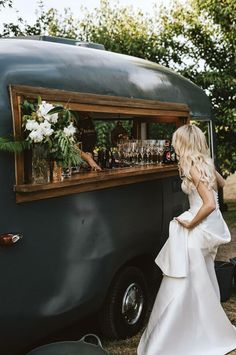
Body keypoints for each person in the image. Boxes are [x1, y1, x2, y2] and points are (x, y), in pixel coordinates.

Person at [137, 124, 236, 355]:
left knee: (183, 276)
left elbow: (210, 204)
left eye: (175, 141)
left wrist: (191, 222)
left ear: (183, 143)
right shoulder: (204, 163)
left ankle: (180, 332)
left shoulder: (192, 166)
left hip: (200, 226)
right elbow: (220, 184)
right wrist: (209, 169)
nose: (173, 145)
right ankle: (203, 325)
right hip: (210, 227)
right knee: (200, 275)